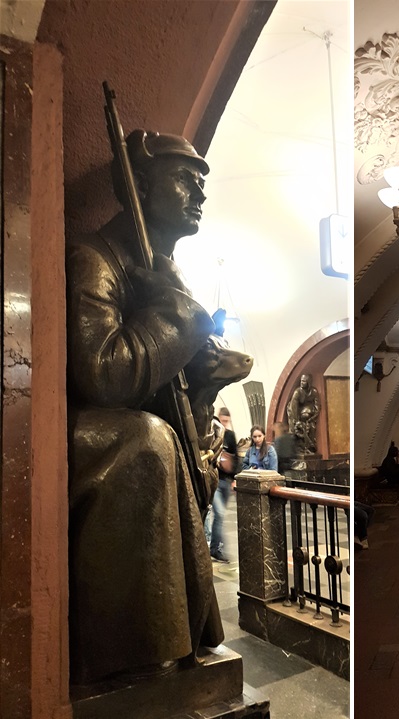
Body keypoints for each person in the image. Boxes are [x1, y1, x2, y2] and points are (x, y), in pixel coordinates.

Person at [66, 130, 230, 683]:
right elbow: (106, 375)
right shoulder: (95, 259)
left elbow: (171, 385)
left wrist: (205, 377)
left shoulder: (165, 274)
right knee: (147, 442)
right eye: (186, 179)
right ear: (139, 183)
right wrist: (181, 318)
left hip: (140, 420)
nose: (200, 194)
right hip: (82, 434)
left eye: (203, 182)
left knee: (169, 443)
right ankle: (140, 658)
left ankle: (177, 643)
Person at [206, 408, 239, 563]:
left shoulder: (230, 435)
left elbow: (236, 457)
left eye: (227, 421)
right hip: (216, 480)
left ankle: (213, 548)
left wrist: (234, 478)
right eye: (223, 421)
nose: (225, 424)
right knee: (219, 514)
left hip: (226, 481)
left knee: (220, 515)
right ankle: (217, 549)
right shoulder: (213, 434)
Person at [286, 373, 321, 454]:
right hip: (295, 415)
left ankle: (310, 447)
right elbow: (293, 408)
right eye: (301, 381)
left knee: (312, 427)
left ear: (308, 382)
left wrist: (311, 418)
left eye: (304, 381)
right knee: (300, 429)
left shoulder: (314, 392)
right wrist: (297, 421)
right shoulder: (297, 392)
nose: (302, 383)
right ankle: (301, 448)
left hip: (309, 417)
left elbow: (317, 407)